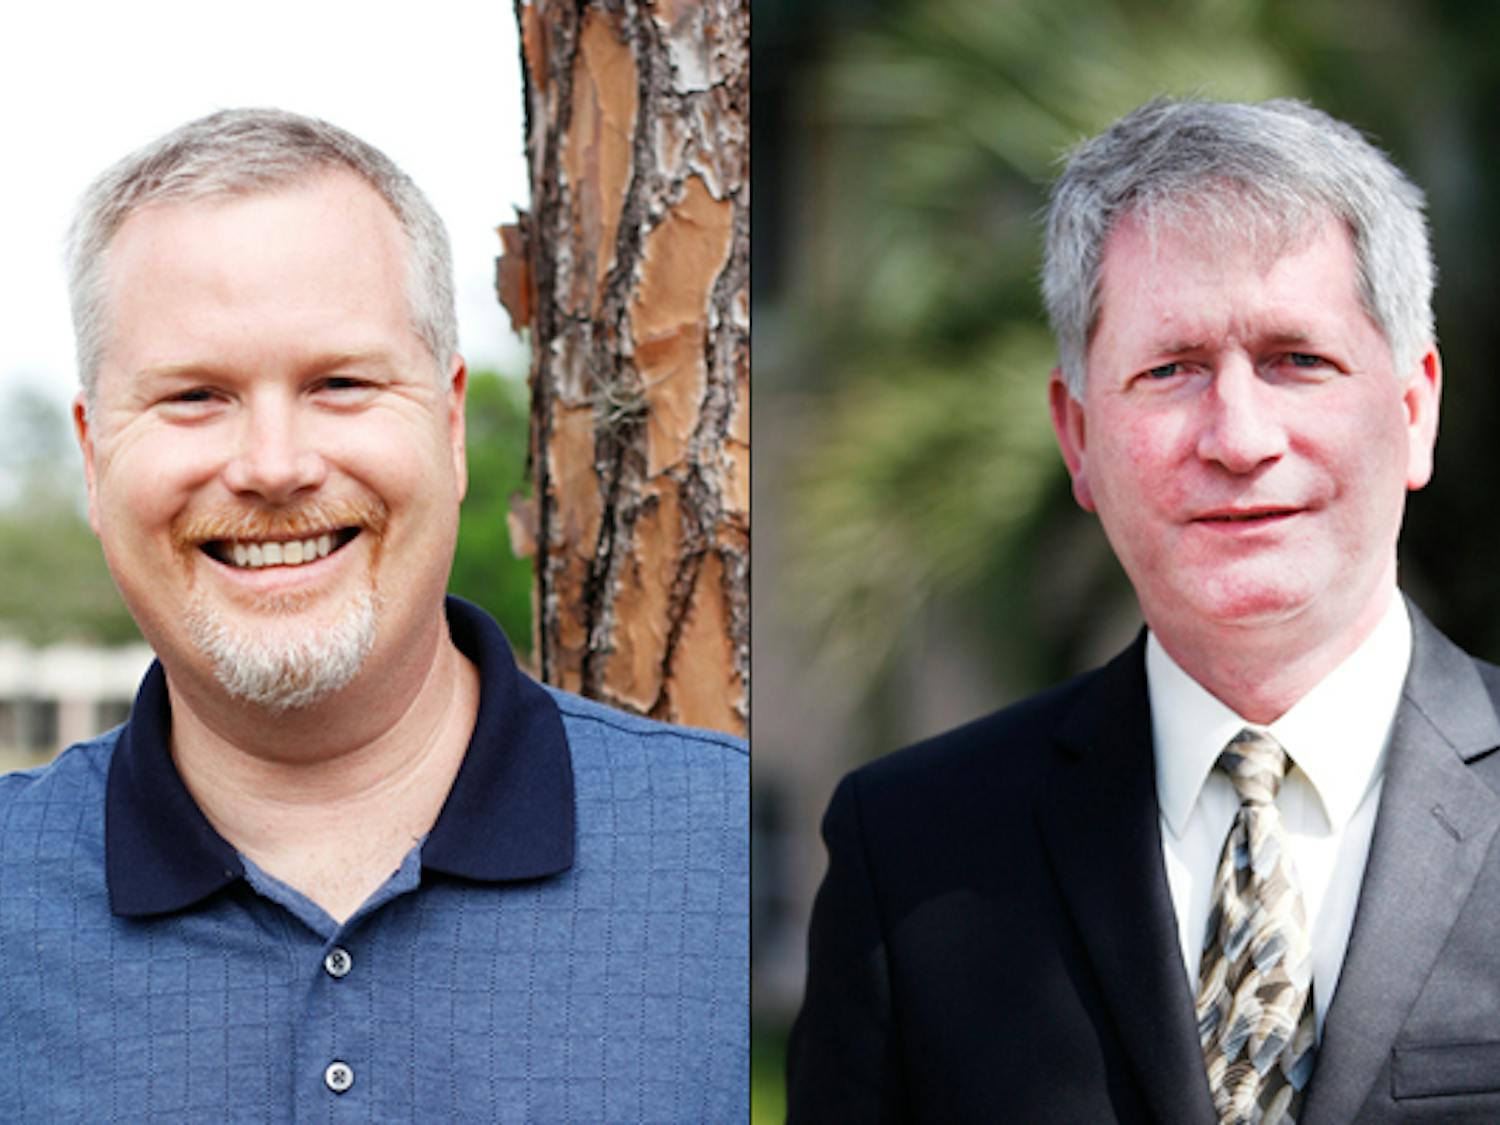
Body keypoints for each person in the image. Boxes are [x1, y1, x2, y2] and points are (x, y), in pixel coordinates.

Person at [0, 108, 747, 1121]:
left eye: (340, 384)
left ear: (447, 424)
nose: (273, 466)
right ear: (92, 456)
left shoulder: (720, 859)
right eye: (193, 396)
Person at [787, 96, 1500, 1123]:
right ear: (1079, 438)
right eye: (1172, 370)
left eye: (1298, 359)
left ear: (1413, 406)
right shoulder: (910, 853)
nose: (1240, 436)